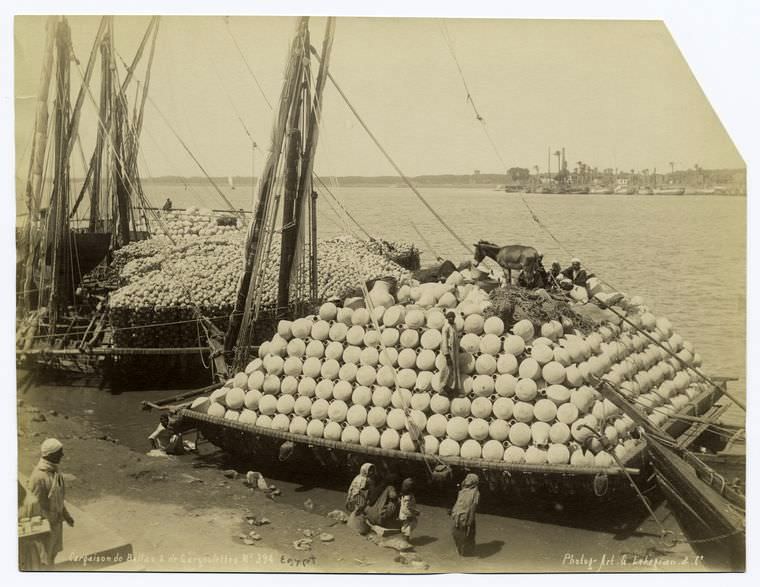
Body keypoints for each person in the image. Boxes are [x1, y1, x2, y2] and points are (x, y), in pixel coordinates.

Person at [20, 438, 74, 568]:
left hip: (56, 523)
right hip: (46, 527)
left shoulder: (55, 472)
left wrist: (66, 516)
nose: (62, 455)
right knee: (44, 558)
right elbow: (32, 505)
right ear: (50, 454)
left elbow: (59, 498)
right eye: (59, 452)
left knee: (53, 554)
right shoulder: (38, 477)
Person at [450, 473, 480, 557]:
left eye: (469, 479)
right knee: (455, 533)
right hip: (458, 514)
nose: (467, 480)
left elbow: (473, 507)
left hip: (467, 516)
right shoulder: (463, 489)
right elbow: (459, 501)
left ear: (474, 482)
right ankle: (461, 550)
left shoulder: (475, 493)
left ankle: (465, 553)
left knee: (465, 535)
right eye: (467, 478)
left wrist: (470, 519)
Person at [439, 311, 461, 397]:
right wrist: (447, 355)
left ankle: (452, 390)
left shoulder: (454, 326)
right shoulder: (446, 328)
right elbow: (444, 342)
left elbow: (456, 338)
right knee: (447, 370)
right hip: (449, 352)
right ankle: (443, 389)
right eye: (449, 318)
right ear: (447, 319)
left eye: (452, 317)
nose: (451, 319)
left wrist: (459, 348)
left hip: (455, 352)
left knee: (454, 371)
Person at [398, 478, 421, 542]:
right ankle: (405, 541)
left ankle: (404, 539)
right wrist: (409, 515)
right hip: (407, 514)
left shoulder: (405, 495)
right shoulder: (408, 497)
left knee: (406, 527)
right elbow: (406, 507)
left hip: (406, 514)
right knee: (408, 527)